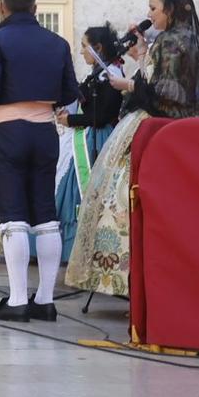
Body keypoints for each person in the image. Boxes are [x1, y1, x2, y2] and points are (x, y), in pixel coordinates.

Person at [66, 0, 199, 299]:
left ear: (170, 10)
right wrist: (141, 55)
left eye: (153, 8)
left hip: (160, 130)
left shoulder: (173, 41)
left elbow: (169, 92)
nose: (148, 14)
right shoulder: (177, 39)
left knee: (121, 199)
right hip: (169, 127)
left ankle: (125, 277)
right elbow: (162, 80)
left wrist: (128, 85)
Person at [0, 0, 80, 322]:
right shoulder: (58, 43)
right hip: (44, 131)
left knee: (13, 214)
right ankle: (46, 300)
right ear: (35, 7)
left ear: (2, 5)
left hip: (6, 131)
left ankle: (18, 299)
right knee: (45, 214)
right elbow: (69, 92)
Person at [54, 24, 126, 258]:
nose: (82, 52)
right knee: (70, 188)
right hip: (86, 135)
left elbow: (102, 114)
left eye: (85, 47)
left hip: (98, 138)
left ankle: (84, 247)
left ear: (98, 48)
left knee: (82, 190)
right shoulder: (97, 74)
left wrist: (71, 119)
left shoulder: (111, 75)